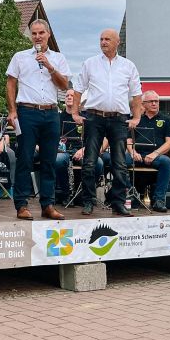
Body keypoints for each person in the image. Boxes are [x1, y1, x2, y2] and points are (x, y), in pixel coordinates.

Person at [70, 28, 142, 216]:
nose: (103, 42)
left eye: (107, 39)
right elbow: (78, 89)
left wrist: (136, 117)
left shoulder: (128, 66)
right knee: (90, 161)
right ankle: (88, 201)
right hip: (94, 117)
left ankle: (118, 202)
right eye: (101, 39)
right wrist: (75, 113)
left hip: (118, 119)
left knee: (120, 162)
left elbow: (136, 94)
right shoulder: (90, 63)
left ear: (118, 42)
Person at [6, 19, 71, 221]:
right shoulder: (20, 57)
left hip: (51, 113)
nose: (37, 37)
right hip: (27, 112)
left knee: (49, 161)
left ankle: (48, 205)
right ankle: (22, 205)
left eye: (41, 33)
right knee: (25, 158)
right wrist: (12, 110)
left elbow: (64, 85)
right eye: (34, 33)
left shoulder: (58, 58)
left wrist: (49, 66)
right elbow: (10, 83)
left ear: (48, 34)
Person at [125, 91, 170, 212]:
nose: (154, 103)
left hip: (156, 156)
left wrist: (155, 153)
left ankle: (159, 199)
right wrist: (132, 152)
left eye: (156, 101)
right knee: (117, 161)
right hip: (137, 155)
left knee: (166, 162)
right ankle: (132, 195)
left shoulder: (166, 120)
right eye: (151, 101)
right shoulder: (136, 120)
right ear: (143, 104)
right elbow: (128, 139)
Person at [57, 89, 104, 204]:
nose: (68, 97)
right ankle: (65, 193)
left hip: (83, 150)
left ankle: (84, 193)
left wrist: (83, 150)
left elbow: (95, 139)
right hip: (63, 151)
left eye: (72, 96)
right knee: (58, 160)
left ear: (78, 100)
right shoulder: (58, 117)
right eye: (67, 95)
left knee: (98, 163)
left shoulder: (86, 118)